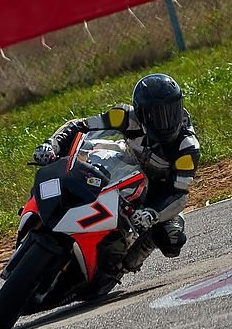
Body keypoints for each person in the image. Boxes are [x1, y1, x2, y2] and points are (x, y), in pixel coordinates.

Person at [32, 73, 200, 295]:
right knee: (79, 160)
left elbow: (180, 194)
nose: (166, 120)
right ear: (141, 113)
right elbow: (81, 125)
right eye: (157, 114)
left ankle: (124, 263)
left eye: (171, 111)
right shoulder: (125, 116)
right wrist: (52, 144)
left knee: (172, 239)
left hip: (156, 197)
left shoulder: (187, 147)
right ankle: (45, 205)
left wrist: (154, 214)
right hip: (124, 166)